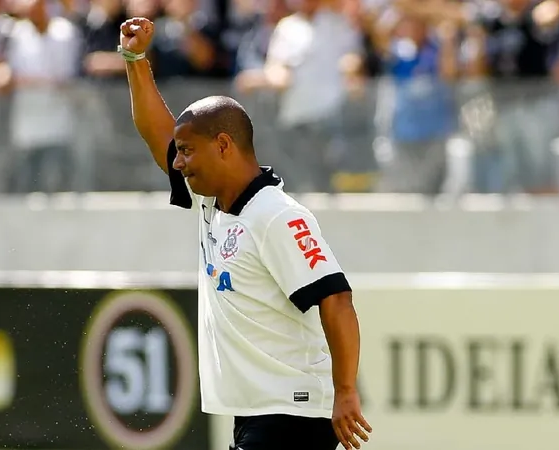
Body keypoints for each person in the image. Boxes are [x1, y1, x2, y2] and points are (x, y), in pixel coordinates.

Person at [118, 16, 373, 450]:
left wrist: (346, 391)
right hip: (258, 413)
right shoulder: (211, 202)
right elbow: (157, 132)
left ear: (223, 145)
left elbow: (336, 298)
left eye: (187, 151)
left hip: (292, 412)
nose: (177, 163)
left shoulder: (276, 215)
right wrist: (135, 59)